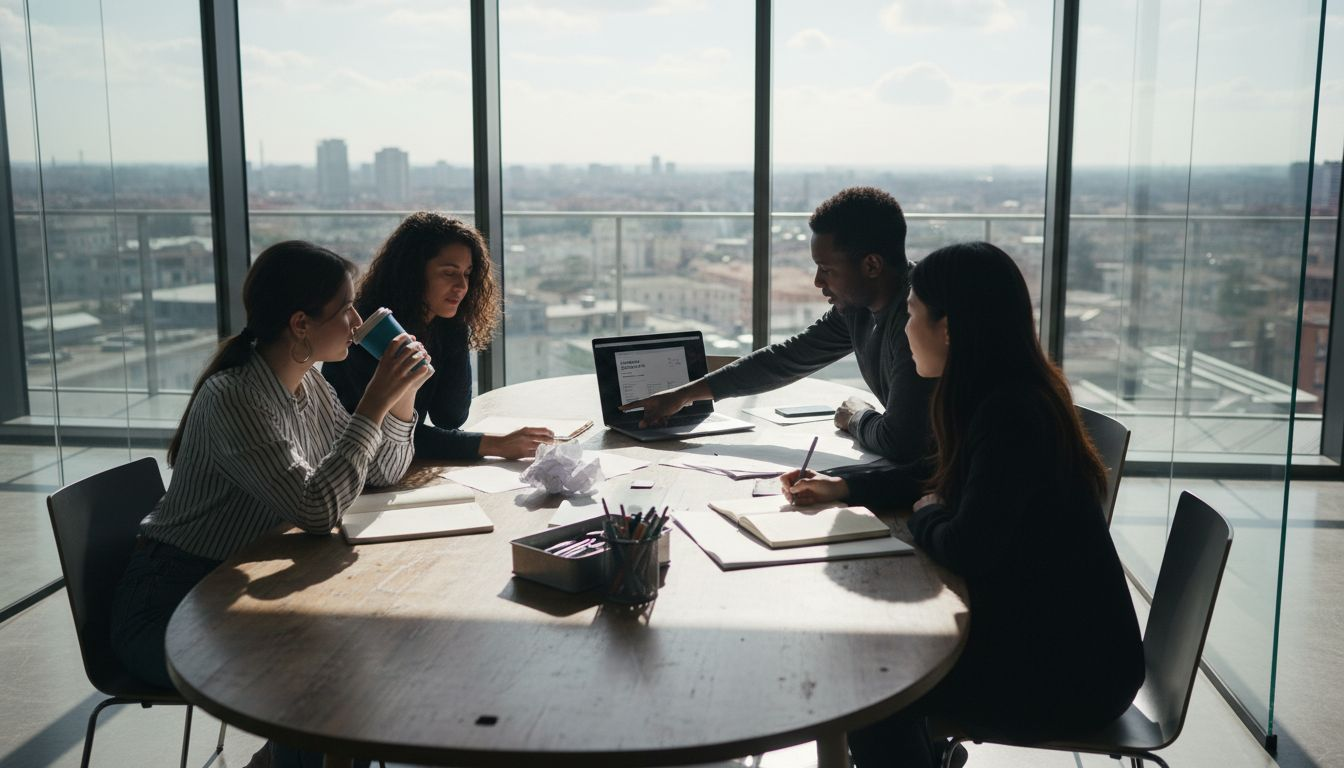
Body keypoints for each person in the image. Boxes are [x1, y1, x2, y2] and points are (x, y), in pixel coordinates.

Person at [109, 240, 432, 768]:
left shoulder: (310, 388)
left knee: (358, 656)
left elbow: (380, 471)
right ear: (301, 324)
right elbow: (316, 510)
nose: (357, 322)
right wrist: (372, 402)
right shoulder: (234, 396)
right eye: (345, 308)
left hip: (242, 584)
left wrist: (402, 398)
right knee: (318, 677)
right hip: (173, 603)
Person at [843, 241, 1145, 767]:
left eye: (913, 313)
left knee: (872, 693)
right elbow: (935, 478)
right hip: (1058, 639)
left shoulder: (1009, 415)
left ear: (950, 328)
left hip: (1071, 675)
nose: (905, 329)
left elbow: (968, 547)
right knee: (882, 666)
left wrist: (926, 514)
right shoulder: (1001, 393)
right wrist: (845, 488)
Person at [622, 187, 935, 504]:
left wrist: (857, 416)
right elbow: (787, 358)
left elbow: (900, 442)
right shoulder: (857, 308)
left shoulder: (920, 323)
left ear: (871, 266)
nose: (817, 281)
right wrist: (685, 393)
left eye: (826, 269)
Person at [323, 212, 554, 460]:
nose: (463, 286)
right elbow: (393, 437)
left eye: (467, 274)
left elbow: (450, 416)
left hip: (395, 466)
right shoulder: (372, 330)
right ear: (412, 272)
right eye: (448, 273)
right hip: (353, 466)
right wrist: (496, 445)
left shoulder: (442, 323)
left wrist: (457, 326)